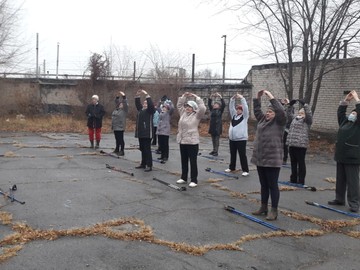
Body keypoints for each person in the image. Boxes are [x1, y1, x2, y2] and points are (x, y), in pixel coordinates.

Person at [251, 90, 286, 220]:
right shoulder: (262, 121)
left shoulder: (279, 122)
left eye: (271, 112)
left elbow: (281, 111)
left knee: (272, 185)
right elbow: (257, 110)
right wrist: (257, 98)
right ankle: (263, 207)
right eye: (267, 111)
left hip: (272, 159)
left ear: (275, 114)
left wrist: (271, 97)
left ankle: (274, 210)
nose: (268, 113)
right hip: (260, 158)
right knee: (263, 184)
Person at [328, 90, 360, 213]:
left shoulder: (358, 124)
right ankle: (339, 198)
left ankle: (354, 203)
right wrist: (346, 100)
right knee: (340, 179)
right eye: (351, 112)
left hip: (352, 156)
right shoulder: (345, 122)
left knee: (353, 182)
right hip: (341, 155)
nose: (352, 114)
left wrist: (357, 99)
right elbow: (341, 113)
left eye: (354, 113)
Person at [176, 92, 206, 188]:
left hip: (192, 142)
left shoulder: (197, 115)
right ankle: (183, 177)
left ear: (193, 108)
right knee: (184, 160)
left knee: (193, 161)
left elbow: (202, 108)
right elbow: (179, 105)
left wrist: (196, 97)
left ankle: (194, 179)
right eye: (187, 106)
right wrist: (184, 96)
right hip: (183, 140)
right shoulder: (183, 113)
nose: (187, 108)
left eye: (190, 106)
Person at [286, 99, 313, 184]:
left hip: (301, 146)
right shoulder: (294, 119)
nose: (300, 115)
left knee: (301, 163)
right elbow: (288, 114)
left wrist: (305, 104)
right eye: (299, 113)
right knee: (293, 163)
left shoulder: (307, 121)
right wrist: (290, 105)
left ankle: (301, 180)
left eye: (302, 113)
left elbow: (309, 114)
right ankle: (293, 179)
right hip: (292, 144)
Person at [226, 93, 250, 177]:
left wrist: (242, 98)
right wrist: (232, 99)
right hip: (232, 139)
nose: (238, 110)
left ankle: (245, 170)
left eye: (240, 109)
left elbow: (246, 108)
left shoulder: (245, 117)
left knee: (242, 155)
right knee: (233, 154)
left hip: (241, 139)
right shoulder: (234, 116)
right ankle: (232, 167)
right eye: (237, 109)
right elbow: (230, 107)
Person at [135, 89, 156, 172]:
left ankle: (149, 165)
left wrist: (147, 95)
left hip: (148, 133)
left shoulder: (150, 111)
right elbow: (137, 104)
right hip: (141, 133)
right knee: (142, 149)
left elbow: (151, 105)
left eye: (146, 103)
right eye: (144, 103)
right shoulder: (141, 110)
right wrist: (137, 95)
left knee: (147, 149)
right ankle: (143, 163)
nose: (144, 104)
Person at [208, 92, 226, 156]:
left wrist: (220, 96)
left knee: (216, 139)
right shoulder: (212, 110)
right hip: (212, 126)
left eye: (216, 104)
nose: (215, 105)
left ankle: (216, 151)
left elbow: (224, 104)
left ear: (219, 106)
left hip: (217, 127)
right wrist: (211, 96)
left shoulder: (220, 110)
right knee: (213, 139)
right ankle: (213, 150)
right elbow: (209, 104)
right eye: (214, 104)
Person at [111, 91, 128, 156]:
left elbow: (125, 103)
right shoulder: (116, 109)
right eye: (120, 104)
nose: (120, 105)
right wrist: (117, 96)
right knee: (117, 138)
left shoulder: (124, 110)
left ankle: (122, 150)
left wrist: (124, 96)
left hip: (120, 126)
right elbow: (116, 102)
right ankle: (117, 148)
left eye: (121, 104)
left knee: (121, 139)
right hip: (115, 126)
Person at [280, 98, 293, 165]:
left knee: (285, 145)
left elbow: (289, 116)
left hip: (286, 130)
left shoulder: (290, 111)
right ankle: (279, 158)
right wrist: (282, 103)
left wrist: (288, 104)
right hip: (280, 129)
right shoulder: (282, 109)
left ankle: (284, 159)